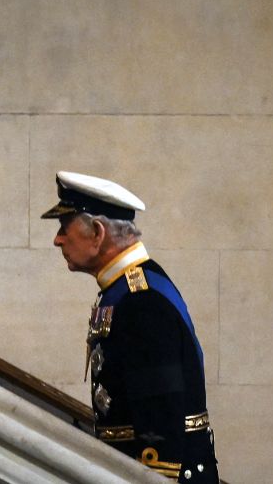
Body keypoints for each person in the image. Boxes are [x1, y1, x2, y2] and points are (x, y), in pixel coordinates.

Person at [42, 171, 218, 483]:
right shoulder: (124, 290)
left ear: (97, 233)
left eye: (64, 228)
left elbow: (160, 423)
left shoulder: (141, 300)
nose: (58, 239)